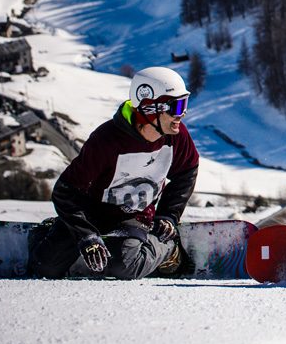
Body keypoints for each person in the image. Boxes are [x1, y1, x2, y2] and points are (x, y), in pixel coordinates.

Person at [29, 67, 197, 279]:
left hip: (134, 215)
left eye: (184, 104)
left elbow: (187, 171)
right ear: (149, 108)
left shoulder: (177, 137)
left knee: (125, 267)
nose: (181, 114)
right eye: (176, 106)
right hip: (91, 214)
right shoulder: (106, 140)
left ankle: (168, 248)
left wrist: (168, 216)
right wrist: (86, 235)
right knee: (45, 267)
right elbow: (65, 191)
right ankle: (48, 233)